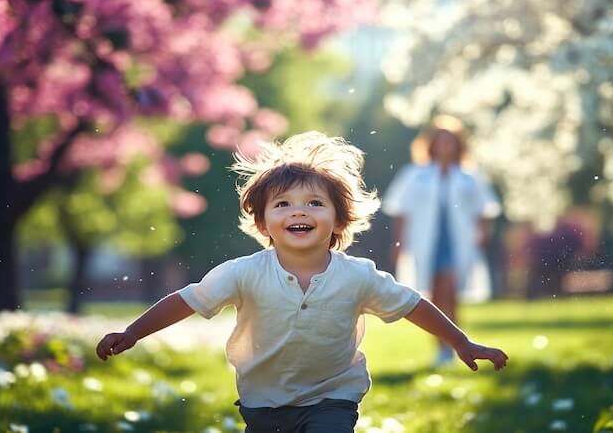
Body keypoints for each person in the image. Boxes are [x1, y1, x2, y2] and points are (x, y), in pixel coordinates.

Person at [96, 131, 508, 433]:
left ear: (338, 219)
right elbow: (187, 300)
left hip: (333, 397)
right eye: (284, 204)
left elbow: (412, 304)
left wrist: (460, 341)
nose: (300, 211)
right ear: (262, 222)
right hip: (262, 403)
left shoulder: (357, 276)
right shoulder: (244, 272)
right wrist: (134, 332)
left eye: (315, 203)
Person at [383, 115, 501, 367]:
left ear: (459, 145)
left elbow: (484, 209)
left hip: (458, 242)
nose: (445, 146)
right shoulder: (415, 175)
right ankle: (444, 348)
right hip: (425, 242)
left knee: (450, 290)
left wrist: (481, 234)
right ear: (431, 144)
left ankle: (456, 344)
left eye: (450, 141)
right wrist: (399, 243)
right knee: (435, 293)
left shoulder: (469, 176)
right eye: (440, 141)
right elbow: (400, 210)